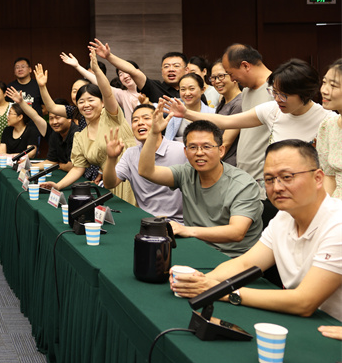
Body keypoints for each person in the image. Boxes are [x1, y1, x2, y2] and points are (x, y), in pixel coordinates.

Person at [172, 140, 341, 322]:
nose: (277, 187)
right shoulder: (284, 217)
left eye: (287, 177)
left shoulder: (337, 224)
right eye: (269, 179)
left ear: (318, 178)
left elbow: (304, 302)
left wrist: (222, 291)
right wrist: (198, 281)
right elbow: (245, 264)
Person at [138, 109, 262, 256]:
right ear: (185, 152)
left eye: (206, 147)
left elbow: (236, 232)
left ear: (221, 150)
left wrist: (187, 230)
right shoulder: (186, 173)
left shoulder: (243, 185)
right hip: (197, 248)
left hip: (234, 257)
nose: (199, 153)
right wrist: (154, 133)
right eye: (193, 147)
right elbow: (146, 171)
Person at [163, 59, 338, 162]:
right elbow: (227, 121)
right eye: (274, 92)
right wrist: (186, 113)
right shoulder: (273, 110)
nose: (277, 99)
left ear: (305, 94)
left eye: (283, 95)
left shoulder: (328, 120)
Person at [36, 51, 136, 201]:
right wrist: (58, 185)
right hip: (109, 185)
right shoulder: (80, 136)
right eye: (81, 101)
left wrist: (96, 70)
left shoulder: (111, 116)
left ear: (102, 103)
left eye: (91, 100)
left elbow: (108, 93)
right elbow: (78, 168)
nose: (86, 105)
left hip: (132, 180)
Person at [102, 104, 185, 222]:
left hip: (179, 222)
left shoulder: (181, 150)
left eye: (146, 118)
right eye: (135, 120)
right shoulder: (131, 154)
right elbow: (109, 183)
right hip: (146, 221)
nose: (140, 123)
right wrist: (111, 158)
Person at [221, 43, 272, 193]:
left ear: (245, 65)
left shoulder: (276, 89)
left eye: (231, 73)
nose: (232, 79)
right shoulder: (246, 92)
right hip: (246, 177)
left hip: (266, 180)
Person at [91, 38, 186, 103]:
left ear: (186, 70)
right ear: (162, 71)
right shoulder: (154, 87)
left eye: (176, 66)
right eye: (166, 66)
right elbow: (133, 71)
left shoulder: (191, 91)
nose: (171, 69)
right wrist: (109, 56)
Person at [60, 51, 141, 121]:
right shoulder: (122, 94)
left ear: (138, 71)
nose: (125, 76)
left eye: (127, 72)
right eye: (120, 74)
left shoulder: (148, 89)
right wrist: (77, 66)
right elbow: (100, 83)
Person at [163, 73, 216, 142]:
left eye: (192, 89)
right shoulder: (175, 108)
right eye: (183, 89)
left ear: (202, 90)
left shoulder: (212, 113)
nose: (187, 93)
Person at [317, 59, 342, 198]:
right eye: (324, 82)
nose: (324, 90)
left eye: (333, 85)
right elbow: (329, 176)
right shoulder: (328, 126)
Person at [210, 61, 242, 166]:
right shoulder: (223, 101)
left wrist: (209, 164)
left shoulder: (239, 103)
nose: (217, 81)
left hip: (230, 165)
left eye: (221, 76)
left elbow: (226, 143)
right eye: (213, 78)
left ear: (233, 76)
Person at [0, 89, 40, 161]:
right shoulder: (7, 130)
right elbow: (1, 152)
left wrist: (9, 156)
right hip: (8, 163)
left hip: (25, 164)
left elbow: (31, 153)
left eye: (10, 113)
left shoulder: (31, 131)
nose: (7, 116)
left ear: (20, 117)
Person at [38, 98, 78, 173]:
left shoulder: (76, 134)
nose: (54, 122)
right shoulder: (55, 134)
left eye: (58, 118)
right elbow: (51, 161)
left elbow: (71, 166)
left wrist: (58, 165)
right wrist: (31, 166)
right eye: (51, 118)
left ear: (69, 118)